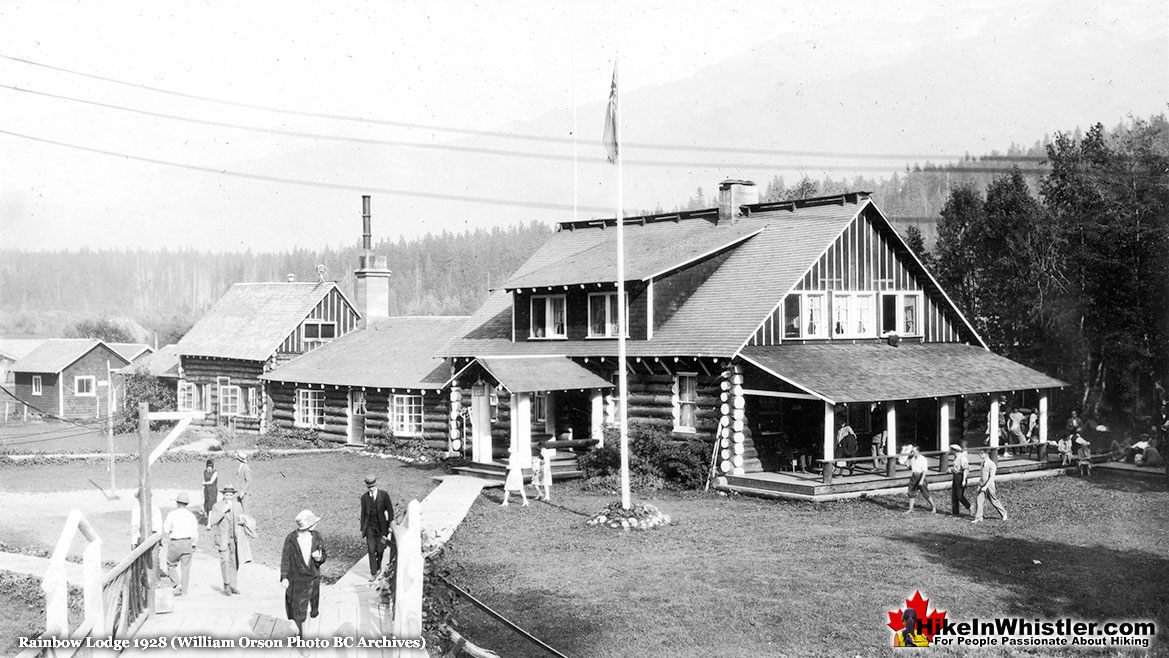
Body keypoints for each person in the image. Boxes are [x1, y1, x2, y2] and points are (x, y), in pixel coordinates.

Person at [281, 510, 326, 646]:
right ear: (309, 525)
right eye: (314, 523)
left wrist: (319, 558)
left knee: (310, 611)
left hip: (312, 579)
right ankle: (304, 640)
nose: (316, 525)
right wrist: (284, 577)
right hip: (297, 580)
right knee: (299, 612)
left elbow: (323, 554)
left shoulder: (316, 537)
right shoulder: (291, 539)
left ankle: (303, 636)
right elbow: (285, 559)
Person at [208, 484, 250, 595]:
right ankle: (226, 585)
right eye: (226, 495)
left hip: (234, 539)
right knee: (224, 561)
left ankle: (233, 585)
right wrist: (223, 511)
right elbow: (212, 521)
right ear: (223, 495)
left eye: (231, 495)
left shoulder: (238, 505)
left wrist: (242, 521)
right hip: (222, 539)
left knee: (234, 562)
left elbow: (243, 518)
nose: (228, 497)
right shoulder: (217, 506)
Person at [163, 492, 199, 596]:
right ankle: (184, 592)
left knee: (171, 564)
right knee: (186, 567)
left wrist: (170, 531)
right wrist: (194, 543)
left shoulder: (172, 514)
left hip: (175, 542)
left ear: (177, 503)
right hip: (187, 542)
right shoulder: (191, 516)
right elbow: (194, 531)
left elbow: (166, 529)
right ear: (187, 504)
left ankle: (177, 583)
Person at [359, 475, 393, 582]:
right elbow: (363, 513)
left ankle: (378, 567)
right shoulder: (364, 498)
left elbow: (390, 510)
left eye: (372, 486)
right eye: (369, 487)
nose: (371, 488)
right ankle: (373, 573)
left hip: (382, 527)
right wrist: (363, 527)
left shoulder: (384, 495)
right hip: (369, 527)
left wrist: (391, 524)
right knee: (371, 550)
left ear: (376, 485)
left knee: (380, 549)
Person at [972, 450, 1009, 523]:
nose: (980, 455)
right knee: (979, 500)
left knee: (993, 500)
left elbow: (992, 477)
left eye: (981, 453)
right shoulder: (982, 463)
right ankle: (978, 517)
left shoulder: (992, 464)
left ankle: (1004, 513)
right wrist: (980, 484)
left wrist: (986, 486)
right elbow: (982, 475)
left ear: (986, 454)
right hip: (981, 484)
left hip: (989, 486)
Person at [904, 446, 936, 514]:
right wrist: (908, 466)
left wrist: (921, 480)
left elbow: (924, 471)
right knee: (911, 492)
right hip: (914, 476)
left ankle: (933, 506)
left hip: (921, 476)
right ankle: (910, 508)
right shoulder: (913, 459)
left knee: (925, 493)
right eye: (912, 451)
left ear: (918, 451)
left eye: (914, 451)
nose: (912, 453)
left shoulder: (923, 459)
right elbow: (912, 468)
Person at [947, 443, 971, 517]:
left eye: (952, 450)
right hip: (956, 476)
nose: (950, 451)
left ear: (955, 450)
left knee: (960, 495)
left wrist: (964, 480)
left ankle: (969, 506)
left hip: (961, 477)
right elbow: (957, 468)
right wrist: (951, 470)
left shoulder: (962, 458)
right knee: (954, 495)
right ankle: (955, 512)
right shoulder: (955, 457)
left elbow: (965, 469)